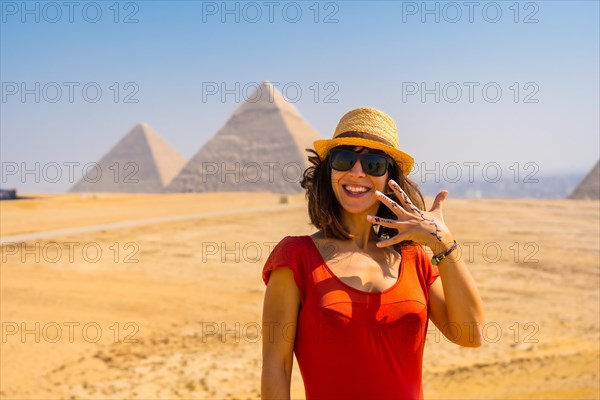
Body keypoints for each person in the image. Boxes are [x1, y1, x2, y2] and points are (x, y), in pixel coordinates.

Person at [261, 107, 485, 400]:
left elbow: (471, 335)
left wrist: (444, 245)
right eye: (344, 159)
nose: (357, 172)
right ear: (329, 170)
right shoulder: (295, 257)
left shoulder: (416, 258)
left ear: (390, 177)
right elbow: (276, 367)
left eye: (374, 164)